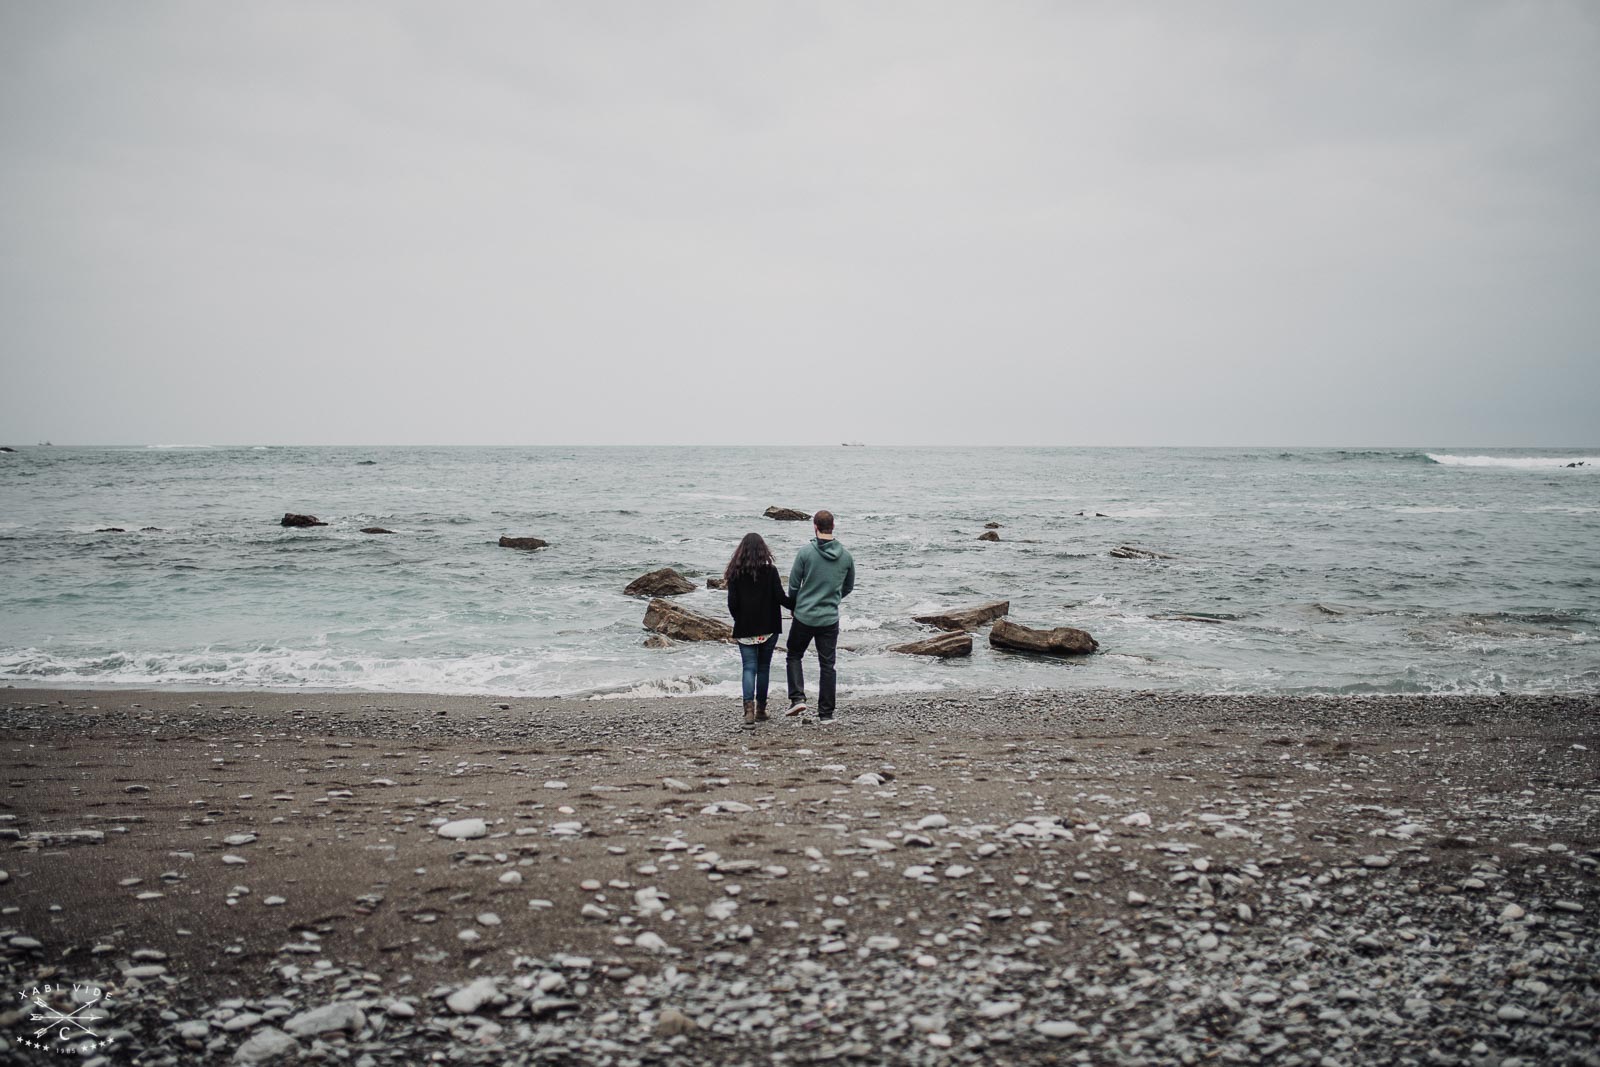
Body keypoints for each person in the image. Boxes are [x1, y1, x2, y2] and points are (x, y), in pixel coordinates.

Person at [785, 509, 856, 722]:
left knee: (794, 654)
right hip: (829, 617)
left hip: (805, 615)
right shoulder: (845, 556)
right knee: (827, 665)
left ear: (815, 526)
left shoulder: (806, 553)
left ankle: (797, 698)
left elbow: (793, 585)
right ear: (833, 527)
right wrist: (832, 598)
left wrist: (795, 605)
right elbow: (848, 587)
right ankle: (826, 714)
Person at [724, 532, 790, 726]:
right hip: (768, 628)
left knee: (748, 668)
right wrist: (798, 606)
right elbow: (780, 597)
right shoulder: (771, 571)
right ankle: (761, 709)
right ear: (764, 550)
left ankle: (748, 711)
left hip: (745, 628)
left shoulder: (734, 573)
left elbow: (732, 604)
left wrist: (740, 619)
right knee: (763, 669)